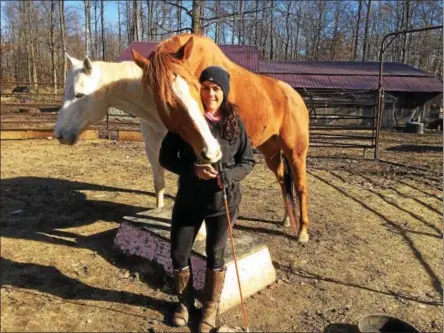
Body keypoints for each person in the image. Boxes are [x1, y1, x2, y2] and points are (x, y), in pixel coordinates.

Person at [159, 66, 255, 332]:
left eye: (216, 88)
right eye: (205, 87)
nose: (210, 93)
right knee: (179, 252)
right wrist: (193, 170)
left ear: (224, 92)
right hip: (189, 199)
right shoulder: (186, 119)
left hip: (222, 202)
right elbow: (165, 157)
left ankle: (210, 308)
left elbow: (248, 161)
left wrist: (228, 176)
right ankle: (184, 304)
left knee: (215, 254)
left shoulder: (234, 123)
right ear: (198, 89)